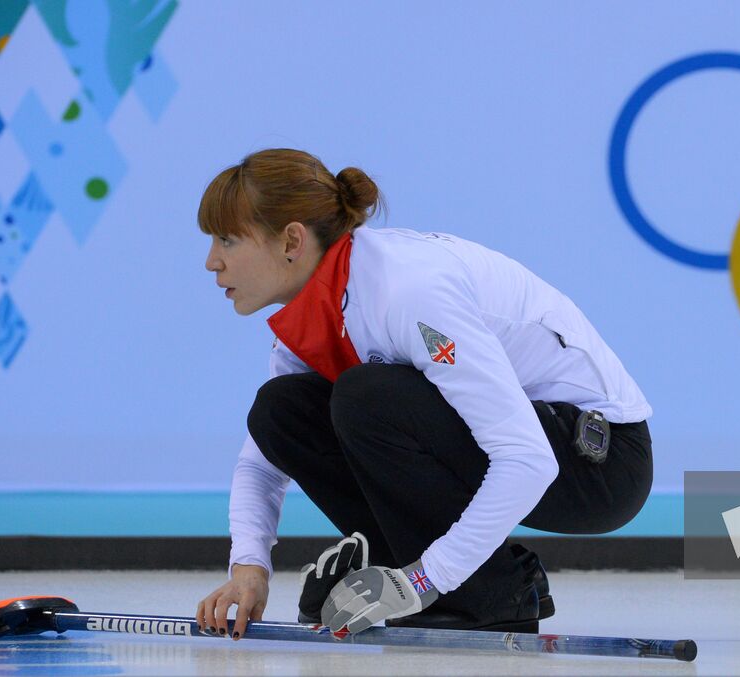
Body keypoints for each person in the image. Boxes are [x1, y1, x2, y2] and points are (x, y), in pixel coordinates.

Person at [192, 148, 653, 641]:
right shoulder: (314, 314)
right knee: (279, 410)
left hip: (600, 464)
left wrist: (422, 580)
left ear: (291, 241)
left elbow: (528, 458)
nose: (211, 261)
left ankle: (487, 591)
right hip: (534, 450)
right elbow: (262, 459)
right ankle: (420, 564)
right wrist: (249, 569)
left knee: (366, 397)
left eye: (228, 239)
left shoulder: (408, 293)